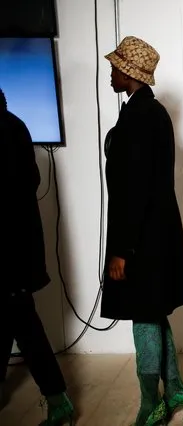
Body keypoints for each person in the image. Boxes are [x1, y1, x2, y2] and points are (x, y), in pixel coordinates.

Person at [101, 36, 183, 425]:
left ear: (129, 73)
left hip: (140, 239)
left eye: (116, 67)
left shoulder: (139, 117)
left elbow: (133, 190)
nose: (111, 73)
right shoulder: (152, 111)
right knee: (152, 311)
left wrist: (122, 249)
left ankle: (149, 403)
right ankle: (176, 390)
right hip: (156, 234)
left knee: (143, 316)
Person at [0, 88, 75, 425]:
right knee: (14, 322)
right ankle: (57, 400)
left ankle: (59, 401)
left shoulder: (7, 130)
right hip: (18, 254)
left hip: (9, 255)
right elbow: (32, 181)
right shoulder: (17, 126)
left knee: (24, 325)